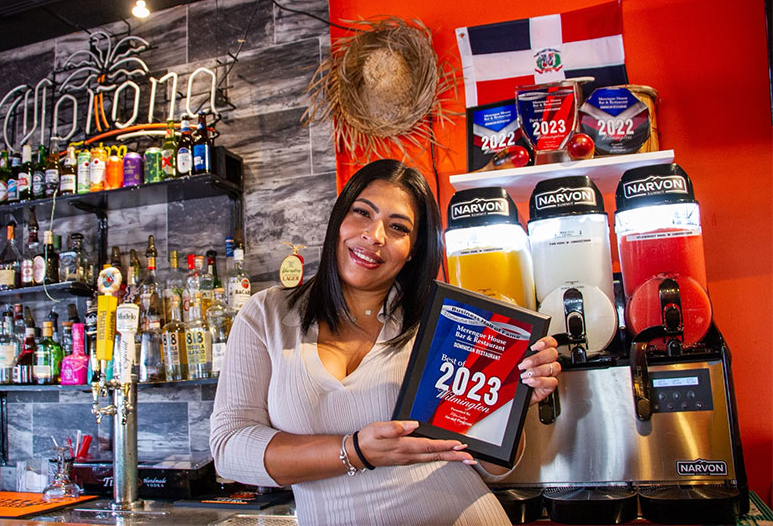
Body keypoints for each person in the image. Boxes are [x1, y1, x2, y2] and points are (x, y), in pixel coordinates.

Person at [210, 159, 560, 525]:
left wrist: (514, 401)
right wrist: (354, 451)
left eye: (398, 227)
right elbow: (229, 449)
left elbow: (492, 467)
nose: (375, 235)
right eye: (362, 212)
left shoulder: (444, 323)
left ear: (413, 249)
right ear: (338, 219)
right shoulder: (267, 315)